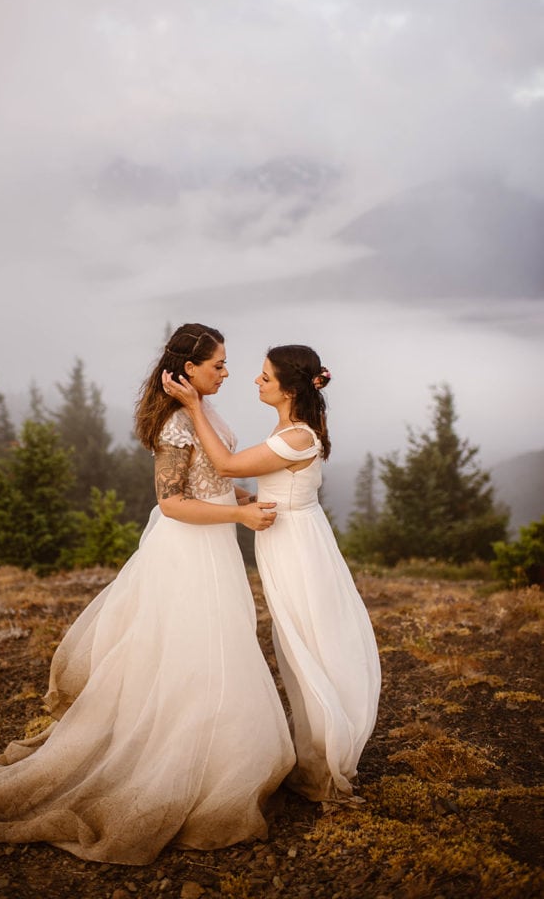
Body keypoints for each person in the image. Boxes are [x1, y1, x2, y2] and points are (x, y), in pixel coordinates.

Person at [0, 324, 295, 865]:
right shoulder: (176, 422)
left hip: (212, 545)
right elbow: (172, 503)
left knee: (213, 652)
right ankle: (176, 765)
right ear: (188, 371)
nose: (226, 371)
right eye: (217, 364)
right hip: (188, 552)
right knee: (192, 652)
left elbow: (207, 481)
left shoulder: (203, 412)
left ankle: (218, 757)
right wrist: (238, 514)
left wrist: (242, 495)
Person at [163, 343, 381, 805]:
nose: (256, 381)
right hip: (288, 541)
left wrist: (193, 405)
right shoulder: (290, 429)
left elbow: (225, 463)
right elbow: (271, 482)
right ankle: (316, 755)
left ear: (288, 389)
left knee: (310, 644)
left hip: (297, 548)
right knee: (298, 644)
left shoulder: (298, 437)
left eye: (265, 376)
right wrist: (239, 498)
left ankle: (327, 762)